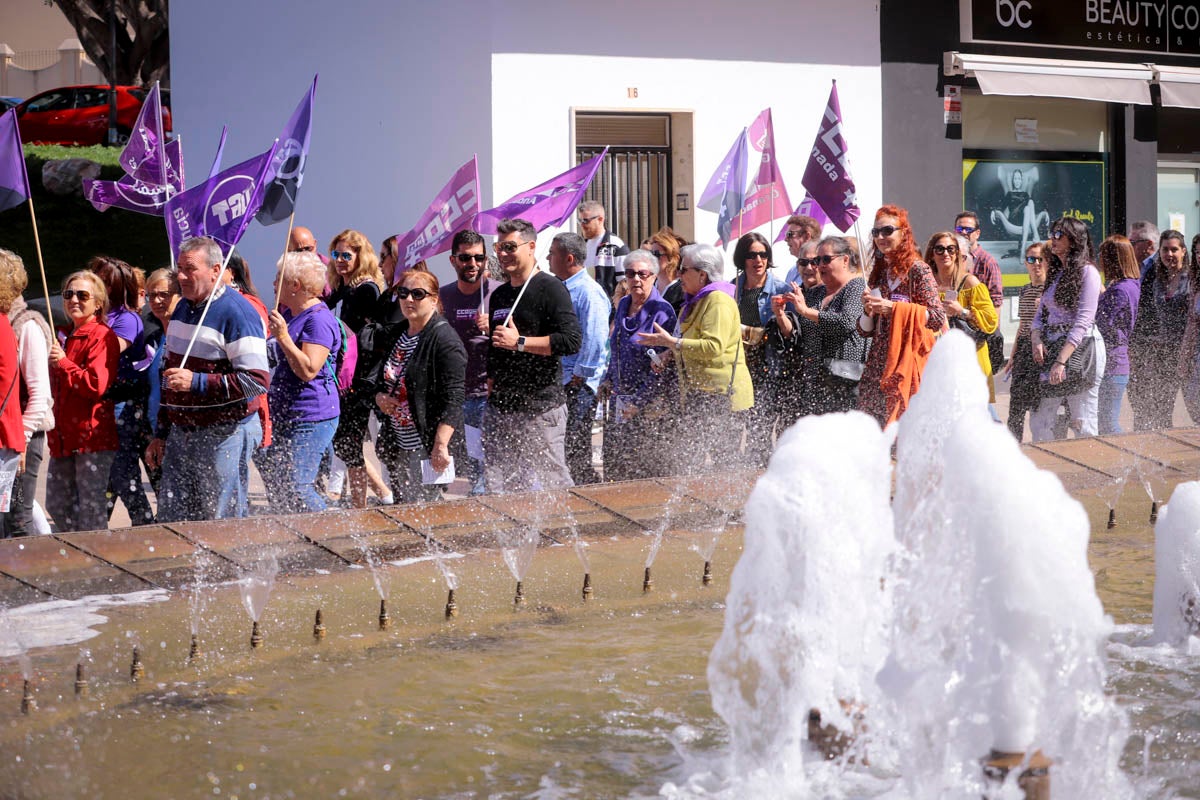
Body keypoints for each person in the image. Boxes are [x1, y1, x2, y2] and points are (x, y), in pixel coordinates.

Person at [145, 237, 270, 522]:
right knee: (173, 517)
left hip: (224, 432)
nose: (181, 276)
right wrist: (161, 433)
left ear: (216, 270)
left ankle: (231, 567)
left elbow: (256, 382)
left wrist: (197, 382)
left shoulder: (238, 313)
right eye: (179, 268)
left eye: (190, 269)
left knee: (219, 520)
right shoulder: (181, 308)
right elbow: (171, 376)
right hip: (181, 432)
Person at [483, 218, 582, 493]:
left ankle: (569, 533)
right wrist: (491, 384)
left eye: (509, 247)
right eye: (498, 247)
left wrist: (521, 342)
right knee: (508, 484)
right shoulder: (500, 295)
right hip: (502, 407)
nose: (502, 254)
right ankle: (521, 536)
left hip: (540, 407)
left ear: (531, 247)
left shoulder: (550, 287)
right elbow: (496, 345)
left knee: (554, 482)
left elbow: (571, 340)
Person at [635, 243, 752, 472]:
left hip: (722, 397)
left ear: (702, 274)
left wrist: (673, 343)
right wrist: (669, 353)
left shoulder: (717, 301)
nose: (678, 275)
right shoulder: (696, 300)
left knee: (724, 465)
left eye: (683, 269)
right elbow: (690, 341)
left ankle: (730, 507)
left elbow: (713, 346)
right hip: (700, 395)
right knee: (691, 461)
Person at [258, 251, 342, 513]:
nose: (273, 284)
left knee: (298, 486)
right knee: (282, 485)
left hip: (311, 416)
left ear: (295, 285)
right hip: (290, 414)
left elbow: (309, 369)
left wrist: (282, 337)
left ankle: (336, 533)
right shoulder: (295, 314)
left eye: (278, 278)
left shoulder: (317, 319)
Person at [374, 270, 466, 503]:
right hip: (397, 440)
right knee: (405, 506)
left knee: (427, 509)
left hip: (427, 444)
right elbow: (378, 379)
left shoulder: (445, 339)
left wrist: (440, 445)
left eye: (418, 294)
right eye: (403, 293)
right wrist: (380, 397)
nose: (408, 300)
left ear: (434, 299)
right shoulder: (397, 333)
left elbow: (453, 399)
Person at [859, 206, 947, 427]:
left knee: (907, 427)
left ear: (904, 233)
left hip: (909, 360)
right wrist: (868, 311)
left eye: (887, 230)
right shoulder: (878, 273)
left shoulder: (919, 270)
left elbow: (937, 316)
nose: (880, 237)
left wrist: (895, 309)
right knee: (876, 431)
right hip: (879, 363)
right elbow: (865, 330)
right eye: (875, 232)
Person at [47, 271, 120, 532]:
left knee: (91, 510)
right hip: (63, 438)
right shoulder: (63, 336)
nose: (74, 300)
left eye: (82, 295)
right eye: (68, 294)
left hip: (91, 439)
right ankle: (78, 552)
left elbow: (95, 385)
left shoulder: (102, 336)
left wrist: (64, 364)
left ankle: (95, 562)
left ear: (98, 302)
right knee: (56, 504)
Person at [324, 228, 392, 508]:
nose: (340, 259)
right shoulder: (347, 287)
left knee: (349, 443)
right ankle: (381, 495)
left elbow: (362, 337)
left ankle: (359, 506)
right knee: (347, 443)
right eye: (335, 254)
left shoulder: (365, 289)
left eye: (346, 255)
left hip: (359, 379)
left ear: (360, 256)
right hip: (349, 377)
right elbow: (323, 305)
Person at [768, 235, 868, 418]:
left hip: (845, 381)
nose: (819, 265)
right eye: (817, 260)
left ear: (845, 260)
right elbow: (799, 335)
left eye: (825, 259)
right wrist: (781, 315)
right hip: (814, 380)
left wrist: (806, 311)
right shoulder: (815, 293)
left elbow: (846, 322)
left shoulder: (857, 286)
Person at [88, 256, 153, 526]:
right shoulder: (95, 317)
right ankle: (97, 528)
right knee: (105, 476)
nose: (90, 285)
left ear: (114, 287)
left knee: (123, 475)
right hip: (98, 406)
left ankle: (146, 526)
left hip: (123, 408)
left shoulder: (127, 319)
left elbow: (101, 355)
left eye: (99, 280)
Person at [602, 249, 677, 482]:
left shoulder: (662, 311)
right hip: (620, 399)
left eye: (642, 274)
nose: (636, 279)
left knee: (644, 468)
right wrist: (607, 379)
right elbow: (616, 348)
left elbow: (662, 366)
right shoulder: (624, 304)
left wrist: (638, 402)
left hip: (649, 405)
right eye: (630, 273)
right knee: (617, 465)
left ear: (654, 276)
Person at [1029, 217, 1106, 441]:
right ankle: (1046, 469)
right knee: (1041, 418)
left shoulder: (1088, 272)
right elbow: (1040, 313)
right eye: (1052, 233)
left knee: (1082, 419)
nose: (1052, 239)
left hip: (1081, 349)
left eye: (1058, 235)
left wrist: (1061, 361)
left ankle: (1091, 471)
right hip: (1051, 345)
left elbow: (1083, 320)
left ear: (1074, 240)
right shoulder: (1055, 272)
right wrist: (1036, 338)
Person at [548, 232, 610, 486]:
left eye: (552, 253)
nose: (548, 258)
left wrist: (580, 376)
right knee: (560, 444)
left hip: (578, 384)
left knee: (574, 444)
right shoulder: (559, 288)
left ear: (569, 258)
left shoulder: (588, 292)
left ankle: (586, 493)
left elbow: (595, 338)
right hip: (561, 379)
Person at [0, 250, 51, 537]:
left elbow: (40, 394)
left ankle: (39, 577)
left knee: (18, 519)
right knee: (13, 516)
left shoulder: (27, 323)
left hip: (21, 439)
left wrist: (21, 440)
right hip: (10, 437)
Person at [439, 230, 489, 495]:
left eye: (479, 258)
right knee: (443, 458)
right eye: (465, 258)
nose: (473, 264)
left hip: (485, 393)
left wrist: (495, 326)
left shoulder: (499, 293)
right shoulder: (442, 296)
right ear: (453, 260)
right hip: (451, 392)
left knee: (480, 468)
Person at [732, 232, 787, 466]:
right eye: (752, 255)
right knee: (733, 428)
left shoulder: (780, 289)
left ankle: (761, 478)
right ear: (742, 259)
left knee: (760, 429)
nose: (758, 260)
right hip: (739, 366)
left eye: (763, 254)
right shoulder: (731, 290)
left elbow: (790, 334)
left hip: (769, 367)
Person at [1129, 229, 1191, 431]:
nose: (1169, 255)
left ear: (1183, 251)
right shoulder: (1157, 281)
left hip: (1189, 352)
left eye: (1174, 250)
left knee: (1194, 407)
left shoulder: (1192, 279)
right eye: (1165, 250)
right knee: (1162, 407)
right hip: (1164, 354)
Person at [926, 231, 998, 401]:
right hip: (938, 358)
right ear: (932, 253)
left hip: (969, 359)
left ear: (958, 253)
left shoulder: (970, 283)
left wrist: (962, 311)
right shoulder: (926, 284)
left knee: (975, 416)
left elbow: (990, 321)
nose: (946, 254)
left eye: (951, 249)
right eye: (940, 249)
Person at [1095, 235, 1142, 435]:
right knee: (1105, 422)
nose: (1100, 259)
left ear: (1114, 258)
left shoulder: (1120, 290)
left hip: (1112, 364)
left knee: (1107, 424)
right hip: (1117, 362)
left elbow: (1101, 324)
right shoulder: (1127, 285)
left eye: (1103, 255)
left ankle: (1127, 459)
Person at [1005, 242, 1048, 440]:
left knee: (1041, 404)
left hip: (1043, 348)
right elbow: (1023, 324)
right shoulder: (1024, 290)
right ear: (1026, 263)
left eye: (1040, 259)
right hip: (1024, 347)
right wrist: (1012, 355)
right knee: (1016, 404)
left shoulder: (1051, 290)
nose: (1036, 263)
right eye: (1032, 259)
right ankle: (1014, 447)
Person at [954, 210, 1005, 375]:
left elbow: (996, 300)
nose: (963, 233)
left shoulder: (987, 262)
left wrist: (989, 332)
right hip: (956, 331)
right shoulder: (950, 258)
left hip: (978, 333)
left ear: (977, 233)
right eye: (959, 229)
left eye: (968, 229)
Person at [143, 267, 179, 494]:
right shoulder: (153, 336)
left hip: (178, 431)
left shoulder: (185, 334)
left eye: (163, 294)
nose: (156, 300)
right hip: (156, 429)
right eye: (151, 295)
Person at [990, 166, 1050, 258]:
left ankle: (1022, 251)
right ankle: (1036, 235)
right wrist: (994, 211)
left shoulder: (1025, 194)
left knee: (1029, 206)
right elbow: (1001, 206)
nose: (1017, 181)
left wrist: (1045, 212)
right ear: (1013, 181)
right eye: (1015, 178)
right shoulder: (1010, 194)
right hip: (1013, 220)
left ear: (1021, 181)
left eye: (1019, 178)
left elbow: (1035, 208)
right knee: (1029, 203)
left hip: (1025, 218)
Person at [578, 200, 628, 297]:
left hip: (609, 308)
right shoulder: (581, 245)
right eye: (579, 221)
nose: (582, 225)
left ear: (600, 219)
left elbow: (625, 283)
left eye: (585, 221)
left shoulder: (615, 245)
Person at [648, 227, 687, 313]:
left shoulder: (682, 290)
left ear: (672, 258)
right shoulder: (649, 285)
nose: (651, 258)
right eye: (650, 254)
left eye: (656, 254)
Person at [781, 214, 822, 287]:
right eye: (803, 262)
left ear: (807, 237)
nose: (785, 239)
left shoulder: (823, 268)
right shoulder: (792, 271)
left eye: (790, 234)